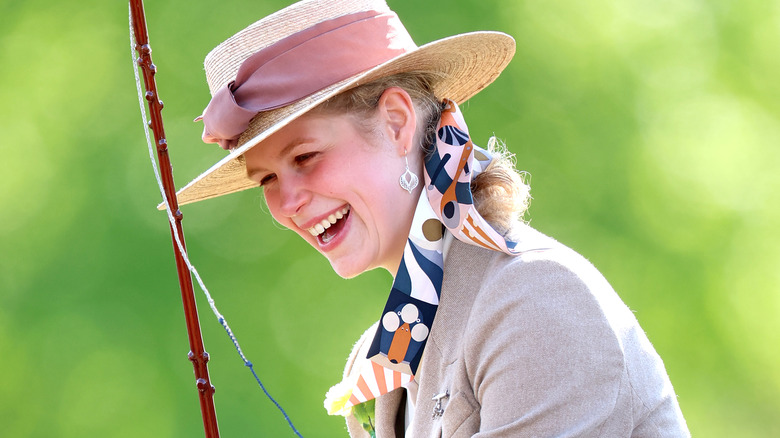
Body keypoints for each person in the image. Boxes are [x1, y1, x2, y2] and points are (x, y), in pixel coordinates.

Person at [174, 0, 690, 436]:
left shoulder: (534, 298)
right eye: (266, 180)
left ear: (397, 123)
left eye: (305, 157)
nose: (286, 203)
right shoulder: (396, 346)